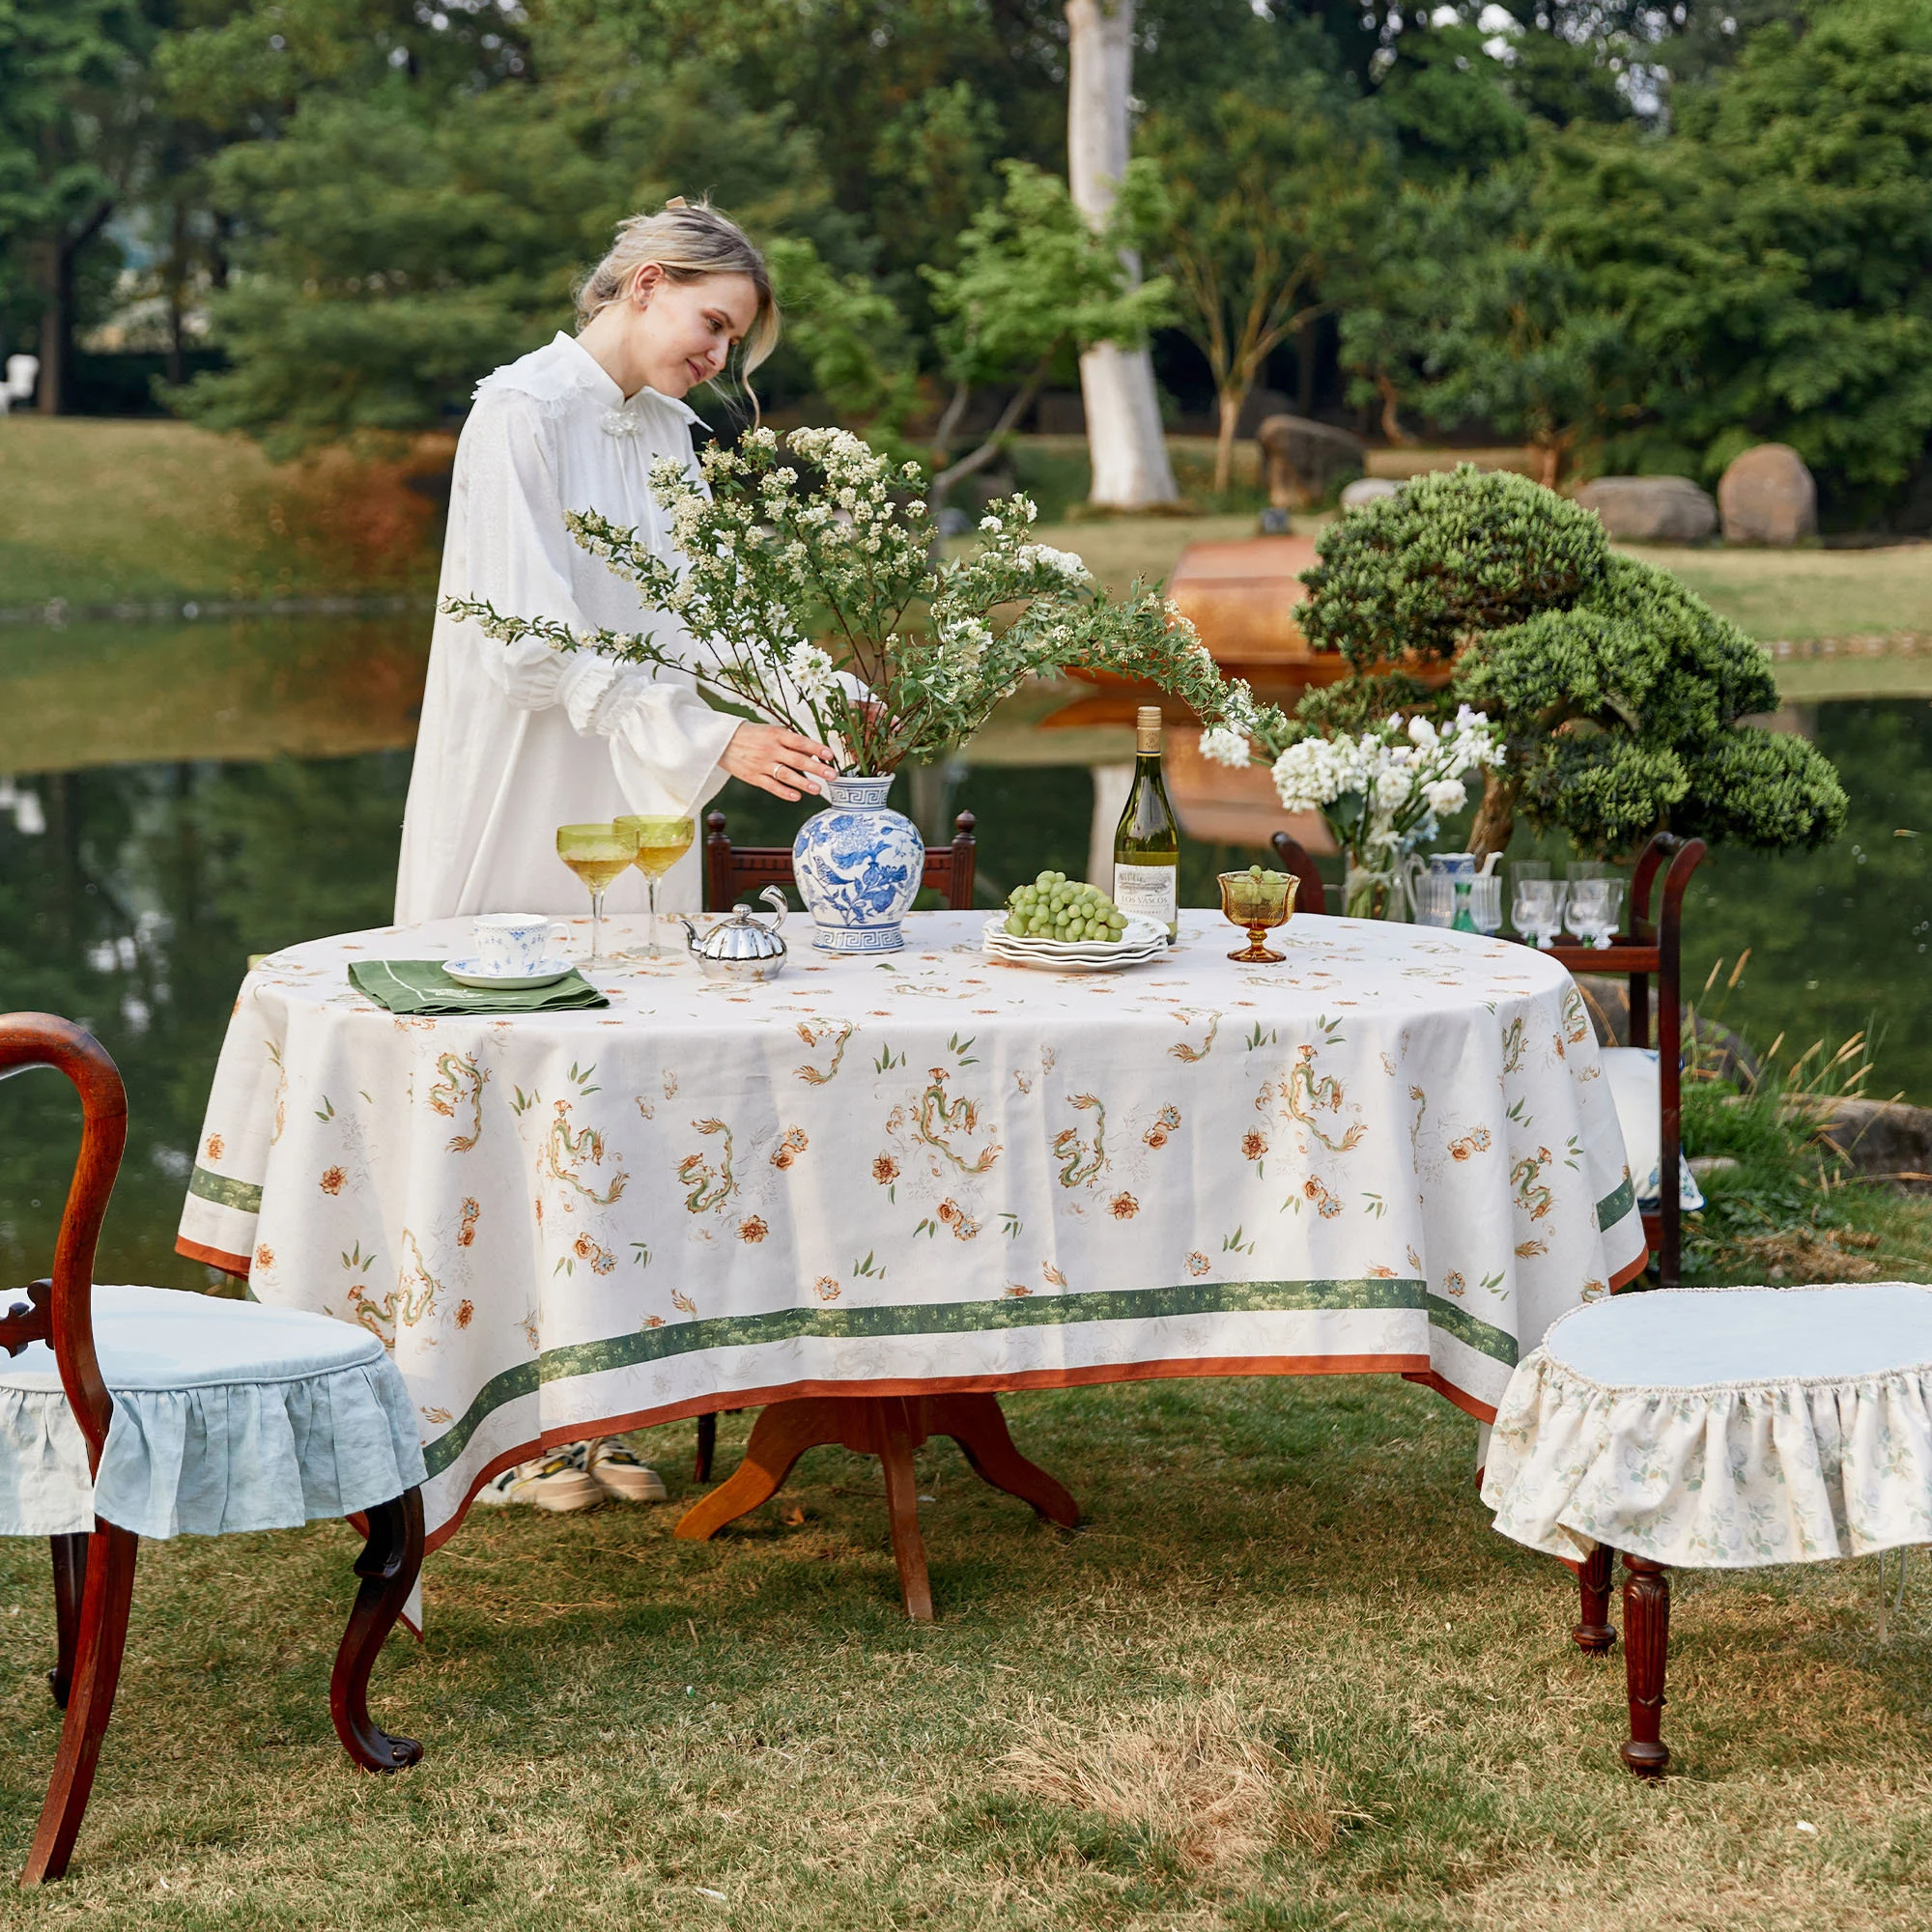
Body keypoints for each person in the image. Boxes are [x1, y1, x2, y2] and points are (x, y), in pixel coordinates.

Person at [402, 197, 838, 1512]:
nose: (721, 356)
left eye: (733, 340)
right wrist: (701, 734)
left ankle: (602, 1413)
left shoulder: (669, 436)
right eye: (714, 323)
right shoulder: (519, 414)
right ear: (645, 284)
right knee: (518, 1081)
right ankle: (505, 1429)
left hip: (640, 781)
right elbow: (522, 639)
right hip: (529, 776)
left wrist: (802, 698)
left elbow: (700, 623)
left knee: (632, 1087)